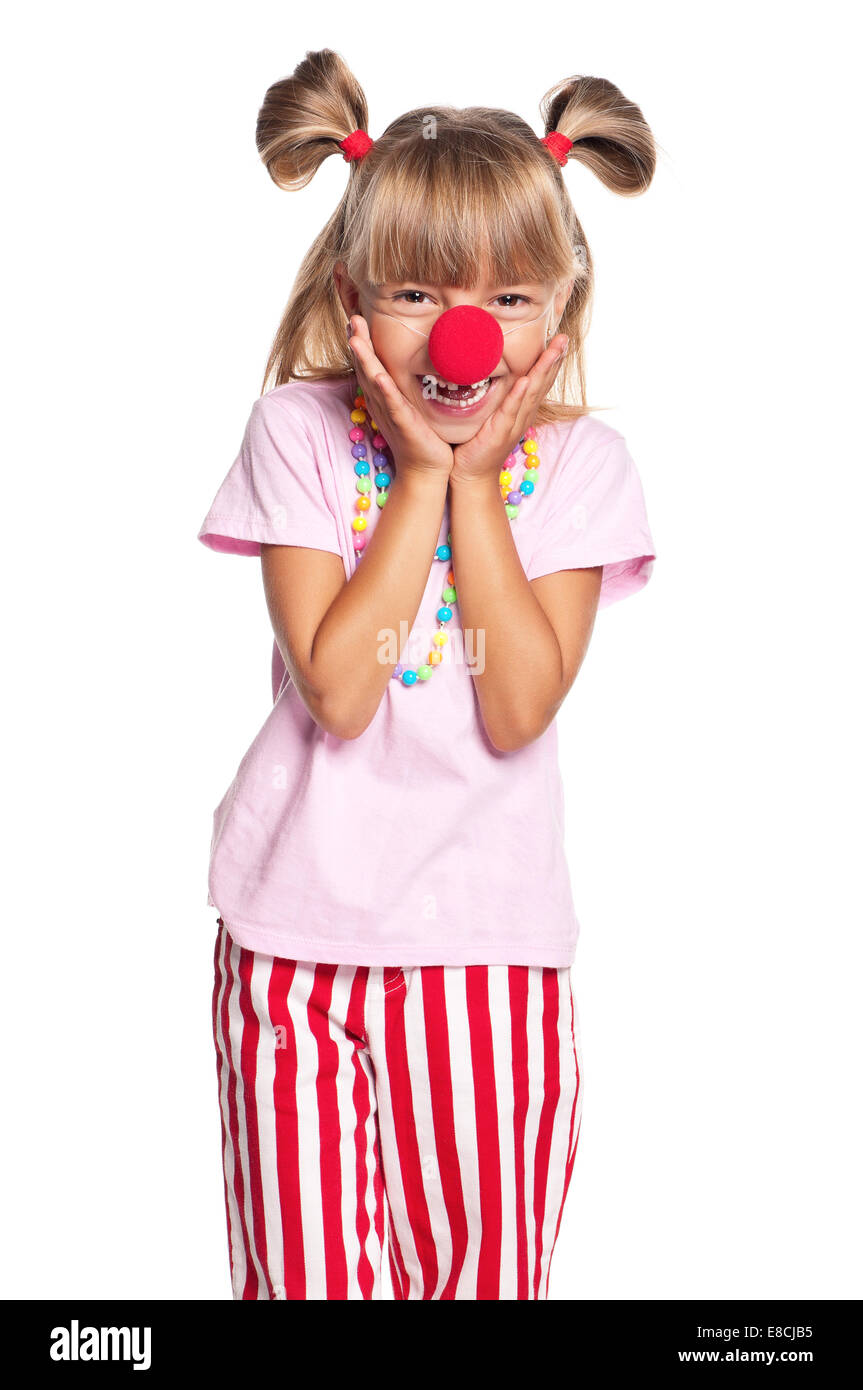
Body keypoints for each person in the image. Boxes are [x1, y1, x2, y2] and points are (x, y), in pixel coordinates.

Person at [198, 47, 657, 1300]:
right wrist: (416, 474)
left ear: (556, 310)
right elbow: (338, 688)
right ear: (351, 301)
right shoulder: (297, 431)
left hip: (486, 957)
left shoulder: (580, 468)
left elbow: (518, 706)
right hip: (291, 949)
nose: (464, 331)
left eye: (510, 299)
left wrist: (472, 481)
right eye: (416, 292)